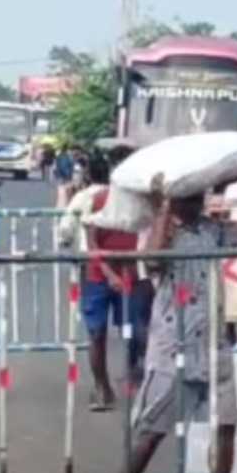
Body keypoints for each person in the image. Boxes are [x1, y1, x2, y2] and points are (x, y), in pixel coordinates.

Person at [98, 162, 237, 473]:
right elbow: (153, 259)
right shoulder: (160, 231)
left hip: (213, 339)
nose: (193, 203)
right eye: (186, 198)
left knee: (226, 424)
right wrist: (162, 209)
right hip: (172, 343)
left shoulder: (215, 231)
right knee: (152, 429)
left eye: (197, 196)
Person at [80, 155, 149, 410]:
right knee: (97, 333)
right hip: (99, 275)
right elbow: (92, 243)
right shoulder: (99, 200)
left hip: (132, 275)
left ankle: (137, 379)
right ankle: (101, 388)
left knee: (135, 332)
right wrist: (110, 275)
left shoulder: (143, 202)